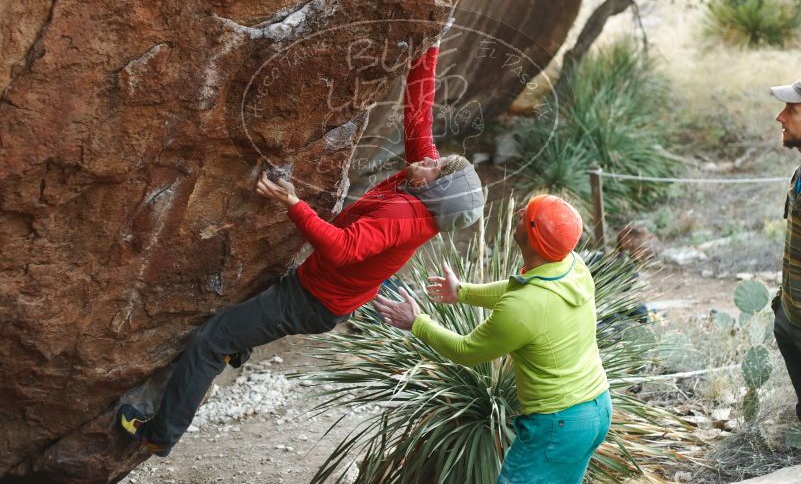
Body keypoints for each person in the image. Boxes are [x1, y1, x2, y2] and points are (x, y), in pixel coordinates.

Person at [117, 25, 485, 456]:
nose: (425, 159)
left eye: (433, 168)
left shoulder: (404, 217)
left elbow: (342, 248)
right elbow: (417, 118)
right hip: (315, 287)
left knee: (210, 339)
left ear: (436, 191)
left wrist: (293, 202)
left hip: (311, 301)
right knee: (244, 313)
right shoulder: (425, 181)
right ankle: (240, 346)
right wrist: (431, 45)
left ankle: (159, 434)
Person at [374, 194, 611, 484]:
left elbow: (467, 351)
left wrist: (417, 323)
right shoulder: (572, 265)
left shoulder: (523, 307)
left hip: (557, 424)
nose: (521, 211)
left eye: (528, 216)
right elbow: (521, 291)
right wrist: (462, 292)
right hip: (596, 408)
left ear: (534, 238)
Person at [771, 78, 801, 421]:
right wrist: (782, 309)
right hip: (791, 320)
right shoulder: (798, 174)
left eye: (791, 110)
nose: (780, 117)